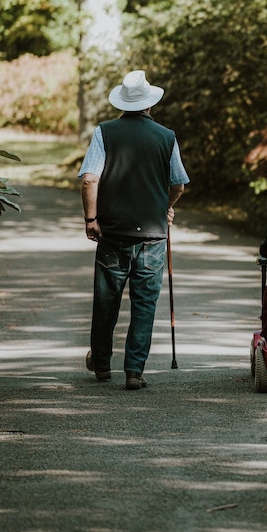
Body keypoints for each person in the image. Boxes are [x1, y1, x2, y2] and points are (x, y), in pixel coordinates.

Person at [79, 70, 189, 390]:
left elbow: (89, 178)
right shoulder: (166, 136)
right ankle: (134, 371)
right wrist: (163, 206)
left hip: (112, 233)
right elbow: (178, 184)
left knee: (106, 301)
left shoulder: (105, 132)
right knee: (144, 304)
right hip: (153, 236)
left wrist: (91, 219)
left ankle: (101, 363)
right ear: (150, 104)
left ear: (122, 103)